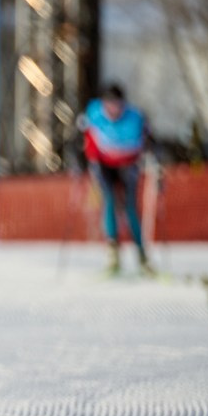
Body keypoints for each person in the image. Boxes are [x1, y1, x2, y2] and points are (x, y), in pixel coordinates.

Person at [80, 83, 150, 275]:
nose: (113, 109)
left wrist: (153, 153)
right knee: (109, 202)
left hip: (128, 165)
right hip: (105, 165)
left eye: (117, 104)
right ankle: (113, 254)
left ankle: (142, 256)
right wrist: (82, 158)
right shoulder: (94, 114)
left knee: (130, 207)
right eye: (109, 104)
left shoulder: (135, 118)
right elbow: (85, 139)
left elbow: (147, 139)